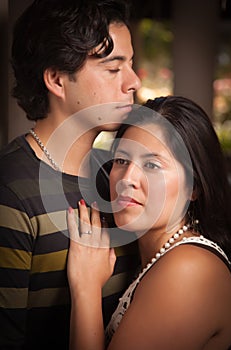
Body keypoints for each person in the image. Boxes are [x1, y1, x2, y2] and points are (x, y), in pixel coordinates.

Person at [0, 1, 141, 349]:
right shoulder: (10, 190)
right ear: (57, 80)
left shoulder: (120, 177)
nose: (134, 81)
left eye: (131, 65)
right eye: (113, 68)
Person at [67, 96, 231, 350]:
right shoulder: (160, 257)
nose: (127, 179)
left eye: (152, 165)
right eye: (121, 160)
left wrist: (86, 290)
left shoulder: (190, 270)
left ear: (194, 187)